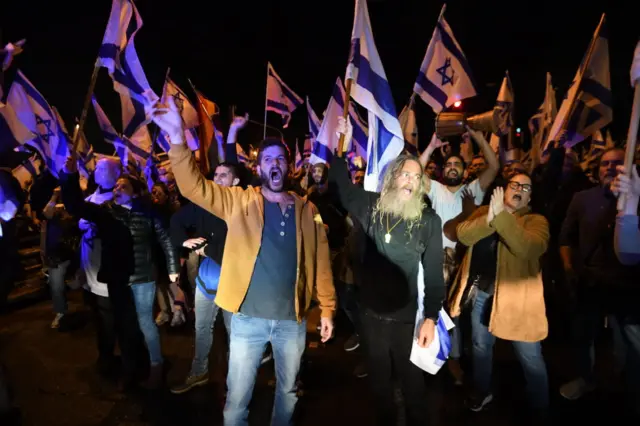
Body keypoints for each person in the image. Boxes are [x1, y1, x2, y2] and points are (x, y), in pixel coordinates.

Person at [149, 96, 335, 426]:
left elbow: (320, 261)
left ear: (288, 166)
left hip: (292, 323)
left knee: (288, 392)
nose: (274, 164)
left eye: (280, 158)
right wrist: (178, 140)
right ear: (259, 168)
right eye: (267, 159)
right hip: (247, 321)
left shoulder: (310, 211)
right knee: (236, 401)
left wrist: (328, 309)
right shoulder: (239, 201)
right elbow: (193, 187)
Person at [329, 118, 445, 426]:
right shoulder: (372, 207)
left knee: (413, 388)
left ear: (421, 185)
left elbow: (434, 274)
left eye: (416, 177)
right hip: (371, 317)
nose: (410, 180)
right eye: (405, 174)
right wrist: (341, 147)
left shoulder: (428, 221)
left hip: (407, 319)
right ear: (393, 178)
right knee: (379, 386)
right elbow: (341, 188)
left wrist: (430, 317)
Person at [61, 155, 180, 389]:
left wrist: (173, 271)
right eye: (116, 185)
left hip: (143, 277)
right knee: (125, 326)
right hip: (118, 279)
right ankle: (130, 371)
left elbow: (166, 240)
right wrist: (70, 176)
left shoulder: (148, 212)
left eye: (122, 186)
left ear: (135, 193)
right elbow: (75, 205)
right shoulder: (105, 212)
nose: (116, 188)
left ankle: (156, 366)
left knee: (145, 322)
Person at [448, 174, 550, 416]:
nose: (520, 189)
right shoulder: (486, 211)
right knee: (480, 346)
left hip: (519, 301)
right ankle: (482, 390)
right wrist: (491, 217)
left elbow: (528, 247)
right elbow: (463, 234)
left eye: (526, 187)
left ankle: (540, 405)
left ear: (529, 196)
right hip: (483, 294)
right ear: (504, 190)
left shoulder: (536, 220)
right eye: (515, 184)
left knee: (530, 357)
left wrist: (501, 217)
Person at [169, 161, 241, 395]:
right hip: (206, 282)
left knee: (235, 334)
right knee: (201, 329)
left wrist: (206, 250)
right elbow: (176, 220)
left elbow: (236, 250)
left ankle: (236, 379)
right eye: (216, 174)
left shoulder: (243, 207)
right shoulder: (203, 204)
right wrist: (184, 240)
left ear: (236, 182)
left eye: (224, 175)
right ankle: (199, 371)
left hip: (233, 284)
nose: (217, 179)